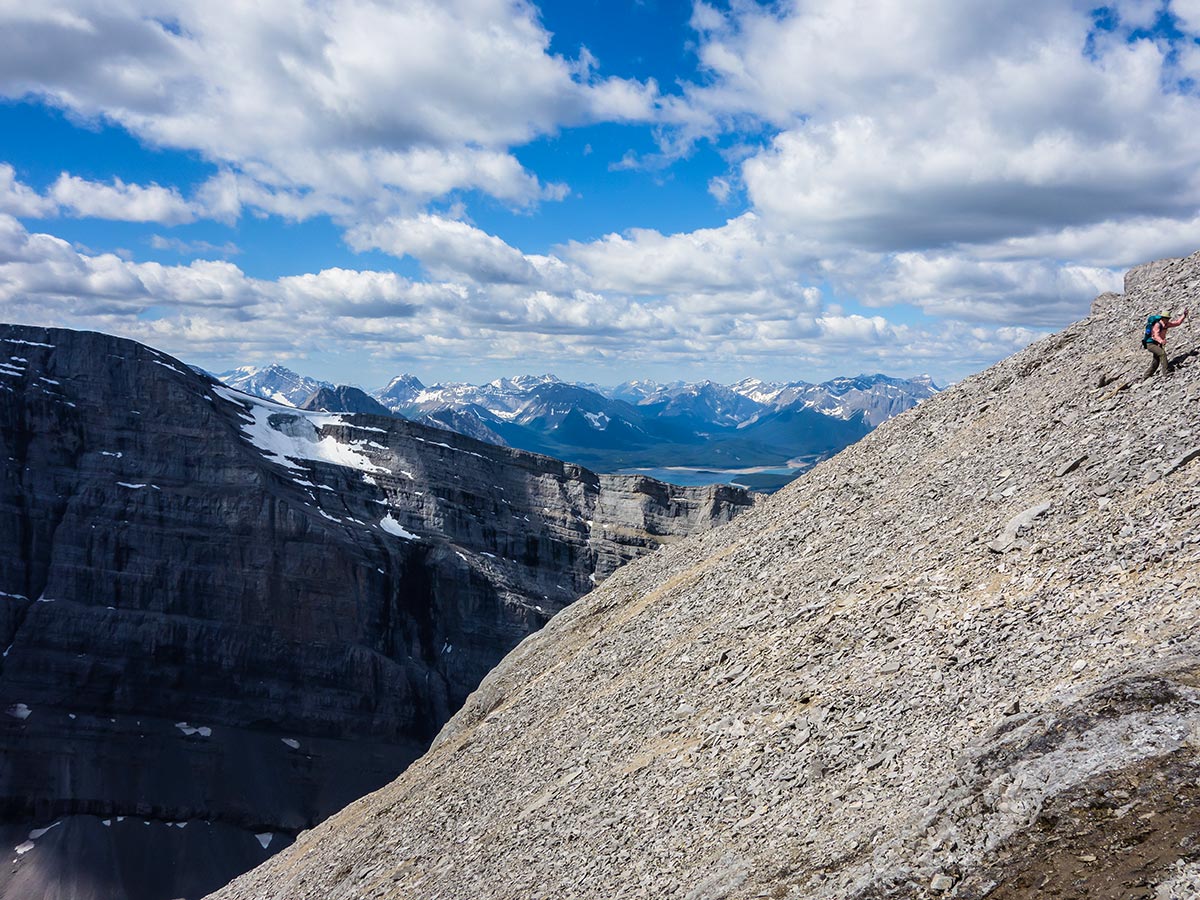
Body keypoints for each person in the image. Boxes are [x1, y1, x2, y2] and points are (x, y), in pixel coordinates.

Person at [1143, 307, 1189, 378]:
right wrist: (1161, 341)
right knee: (1162, 353)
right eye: (1166, 318)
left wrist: (1184, 315)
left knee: (1156, 361)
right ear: (1162, 318)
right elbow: (1155, 335)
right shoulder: (1158, 325)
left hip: (1158, 344)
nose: (1168, 320)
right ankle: (1166, 372)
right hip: (1151, 344)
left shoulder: (1167, 324)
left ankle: (1146, 376)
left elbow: (1177, 323)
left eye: (1168, 318)